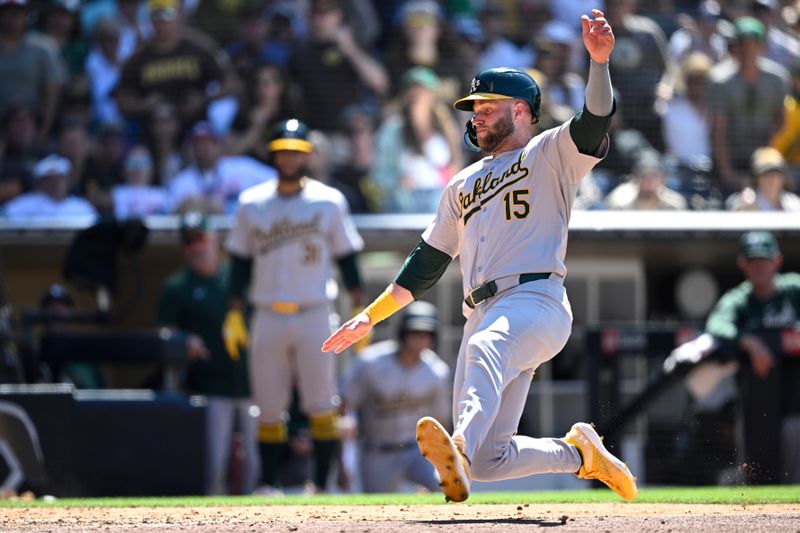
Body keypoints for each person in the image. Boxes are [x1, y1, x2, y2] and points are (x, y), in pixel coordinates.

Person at [322, 9, 637, 503]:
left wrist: (599, 64)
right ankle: (580, 456)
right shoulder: (461, 183)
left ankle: (460, 449)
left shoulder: (549, 152)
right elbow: (427, 262)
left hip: (536, 299)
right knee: (494, 461)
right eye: (474, 107)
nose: (476, 114)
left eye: (486, 105)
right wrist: (369, 316)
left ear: (520, 109)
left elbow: (595, 120)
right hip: (484, 310)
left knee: (484, 353)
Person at [224, 118, 365, 494]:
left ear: (308, 155)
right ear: (273, 154)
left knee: (322, 402)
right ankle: (267, 483)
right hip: (267, 313)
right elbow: (238, 262)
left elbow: (348, 258)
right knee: (268, 404)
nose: (289, 158)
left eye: (296, 152)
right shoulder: (252, 203)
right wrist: (234, 312)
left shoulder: (329, 200)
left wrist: (360, 310)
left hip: (316, 312)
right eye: (283, 152)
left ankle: (319, 484)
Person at [157, 211, 259, 495]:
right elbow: (163, 333)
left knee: (257, 458)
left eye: (199, 238)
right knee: (215, 462)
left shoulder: (238, 277)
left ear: (214, 239)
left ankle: (265, 516)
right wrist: (182, 340)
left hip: (253, 382)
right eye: (188, 241)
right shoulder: (177, 287)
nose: (195, 246)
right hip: (211, 386)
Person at [700, 231, 800, 483]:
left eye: (764, 260)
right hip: (758, 401)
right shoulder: (740, 300)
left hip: (795, 397)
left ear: (776, 261)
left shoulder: (793, 289)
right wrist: (750, 342)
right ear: (743, 264)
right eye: (753, 261)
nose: (759, 267)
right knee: (758, 467)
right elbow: (717, 324)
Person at [341, 301, 450, 493]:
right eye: (414, 333)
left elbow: (439, 421)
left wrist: (441, 458)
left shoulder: (436, 371)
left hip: (416, 452)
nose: (420, 339)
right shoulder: (370, 362)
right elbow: (345, 403)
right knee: (378, 509)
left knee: (445, 486)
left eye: (426, 334)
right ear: (403, 333)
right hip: (377, 452)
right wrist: (343, 458)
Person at [710, 16, 790, 197]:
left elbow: (781, 122)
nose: (748, 50)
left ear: (762, 47)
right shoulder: (720, 81)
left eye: (753, 44)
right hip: (731, 161)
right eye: (743, 44)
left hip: (765, 161)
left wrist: (766, 159)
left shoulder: (777, 79)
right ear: (734, 47)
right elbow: (717, 131)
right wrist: (727, 173)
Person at [2, 154, 97, 220]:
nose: (56, 183)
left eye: (60, 177)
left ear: (68, 180)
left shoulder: (82, 207)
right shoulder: (23, 205)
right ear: (40, 183)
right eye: (50, 179)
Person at [725, 146, 800, 212]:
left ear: (783, 177)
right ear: (756, 178)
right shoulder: (747, 201)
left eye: (776, 173)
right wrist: (745, 209)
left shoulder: (793, 203)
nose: (772, 179)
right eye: (766, 174)